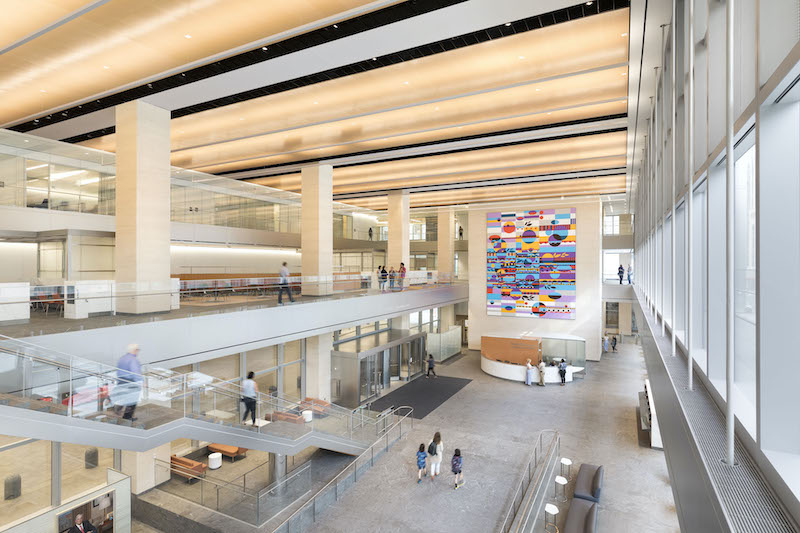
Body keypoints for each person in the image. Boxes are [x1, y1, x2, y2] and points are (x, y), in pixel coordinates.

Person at [114, 344, 142, 421]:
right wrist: (141, 382)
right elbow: (135, 372)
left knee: (124, 396)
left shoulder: (122, 358)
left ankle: (117, 409)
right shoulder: (133, 360)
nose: (138, 352)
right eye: (137, 350)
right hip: (131, 382)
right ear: (135, 350)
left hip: (121, 380)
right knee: (132, 399)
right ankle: (127, 417)